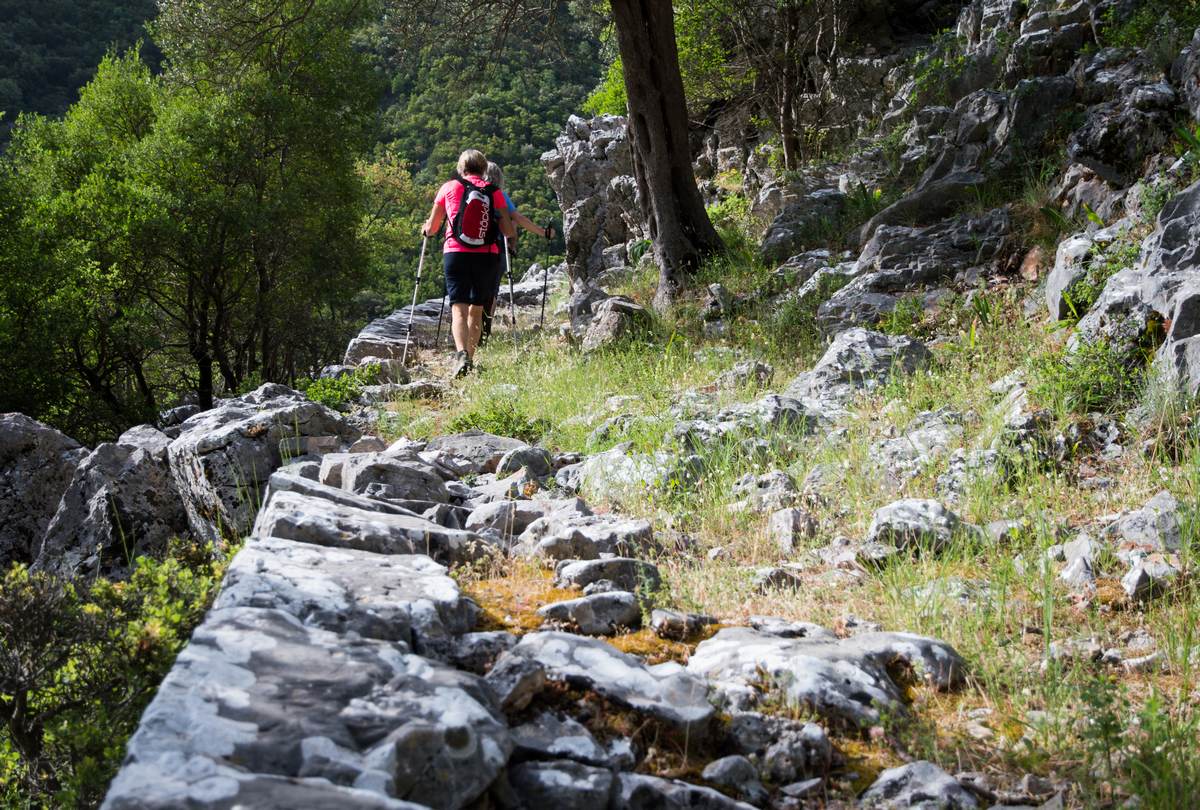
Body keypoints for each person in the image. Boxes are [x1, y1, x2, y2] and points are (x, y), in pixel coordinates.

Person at [422, 149, 515, 377]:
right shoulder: (494, 192)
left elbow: (432, 228)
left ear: (460, 168)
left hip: (456, 253)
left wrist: (425, 228)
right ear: (484, 169)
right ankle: (470, 359)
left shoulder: (448, 187)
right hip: (487, 255)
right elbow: (508, 230)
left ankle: (461, 354)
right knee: (478, 308)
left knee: (459, 309)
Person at [479, 161, 555, 343]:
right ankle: (483, 331)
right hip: (496, 249)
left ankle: (468, 332)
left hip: (468, 249)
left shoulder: (470, 192)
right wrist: (543, 232)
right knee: (492, 291)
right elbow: (518, 219)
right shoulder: (499, 195)